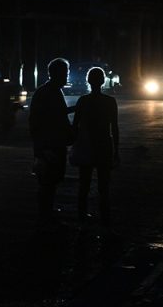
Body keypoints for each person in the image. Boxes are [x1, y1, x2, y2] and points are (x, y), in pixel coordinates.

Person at [70, 67, 119, 228]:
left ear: (88, 81)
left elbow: (75, 126)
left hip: (86, 145)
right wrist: (116, 151)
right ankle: (105, 222)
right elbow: (114, 128)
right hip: (104, 145)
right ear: (103, 81)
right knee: (104, 187)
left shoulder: (83, 101)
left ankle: (82, 219)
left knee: (84, 185)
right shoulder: (110, 102)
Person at [28, 58, 75, 229]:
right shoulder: (49, 93)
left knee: (49, 182)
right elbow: (41, 121)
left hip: (50, 144)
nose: (66, 77)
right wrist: (42, 148)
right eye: (65, 73)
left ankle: (46, 215)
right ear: (57, 74)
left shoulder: (48, 91)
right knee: (48, 182)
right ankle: (45, 217)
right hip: (50, 145)